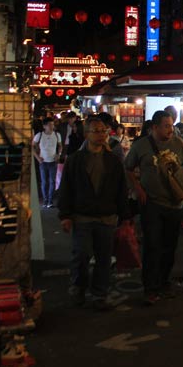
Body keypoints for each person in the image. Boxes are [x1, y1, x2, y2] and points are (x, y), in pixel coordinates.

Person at [124, 110, 183, 305]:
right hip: (152, 204)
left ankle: (164, 282)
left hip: (175, 203)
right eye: (166, 125)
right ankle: (150, 288)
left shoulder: (179, 144)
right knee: (152, 246)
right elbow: (127, 168)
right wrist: (137, 188)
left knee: (169, 246)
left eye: (171, 125)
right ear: (154, 127)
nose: (170, 129)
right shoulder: (141, 145)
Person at [57, 116, 129, 310]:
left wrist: (124, 216)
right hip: (82, 216)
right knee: (81, 253)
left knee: (104, 258)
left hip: (107, 217)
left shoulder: (113, 160)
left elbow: (122, 189)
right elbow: (66, 189)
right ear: (86, 134)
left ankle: (99, 293)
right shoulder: (75, 160)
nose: (101, 135)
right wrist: (65, 215)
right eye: (96, 131)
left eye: (104, 131)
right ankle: (78, 287)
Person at [33, 117, 62, 208]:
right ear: (44, 126)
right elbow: (32, 146)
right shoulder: (39, 135)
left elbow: (60, 145)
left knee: (52, 181)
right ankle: (45, 200)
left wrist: (59, 154)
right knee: (44, 182)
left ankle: (50, 200)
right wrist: (37, 158)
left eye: (52, 124)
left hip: (53, 161)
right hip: (43, 161)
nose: (51, 126)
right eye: (49, 125)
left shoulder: (57, 135)